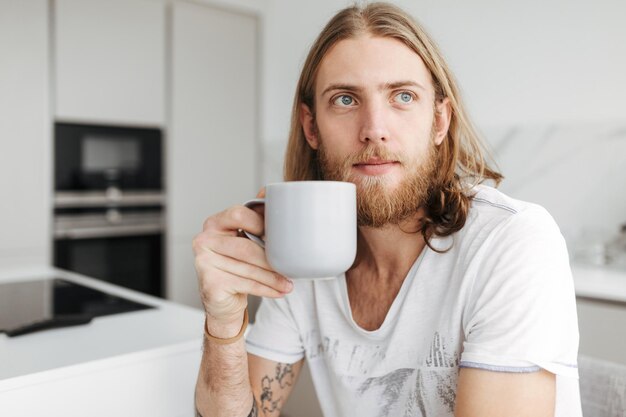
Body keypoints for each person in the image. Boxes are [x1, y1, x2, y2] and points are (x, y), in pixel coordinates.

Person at [193, 2, 581, 417]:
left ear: (439, 121)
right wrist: (223, 322)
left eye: (403, 96)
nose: (374, 128)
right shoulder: (304, 259)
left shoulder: (510, 243)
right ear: (311, 127)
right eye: (345, 99)